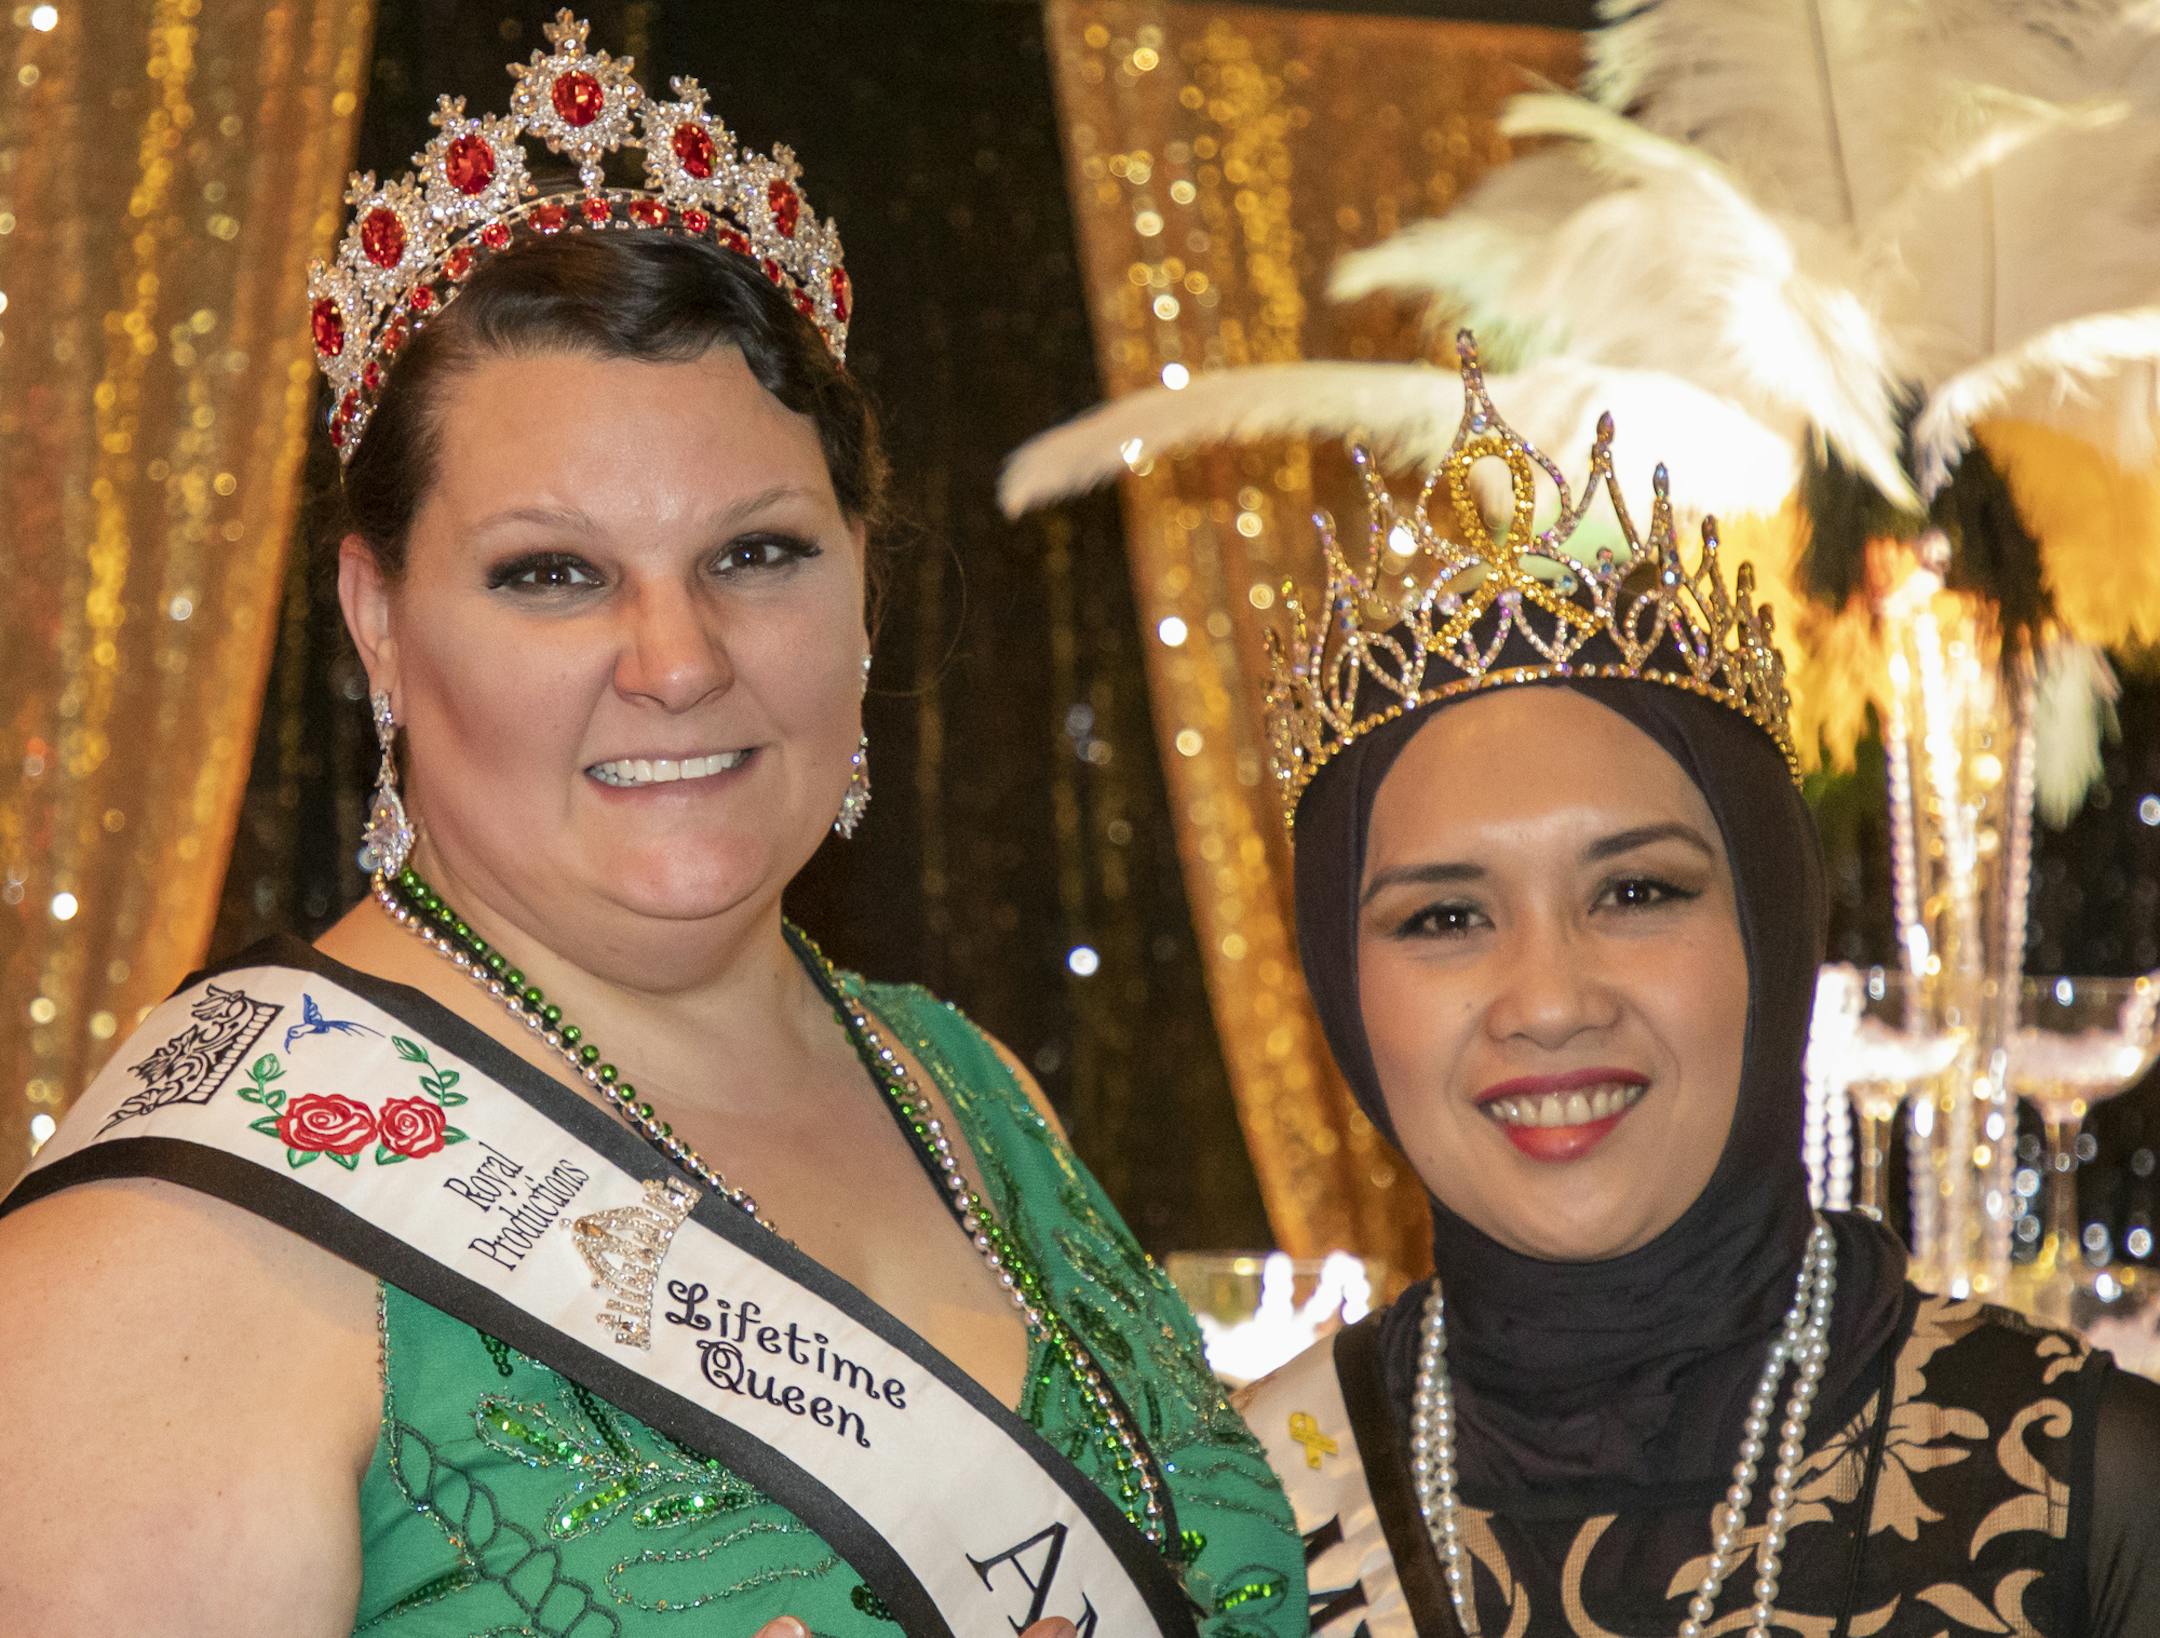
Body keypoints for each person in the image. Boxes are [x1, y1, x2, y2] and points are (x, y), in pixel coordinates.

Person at [0, 17, 1302, 1636]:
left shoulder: (971, 1088)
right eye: (553, 573)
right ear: (379, 622)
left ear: (866, 586)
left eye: (757, 554)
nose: (679, 662)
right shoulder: (172, 1248)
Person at [1238, 338, 2160, 1636]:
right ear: (1342, 985)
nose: (1546, 998)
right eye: (1445, 916)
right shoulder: (1236, 1515)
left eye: (1636, 892)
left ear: (1772, 940)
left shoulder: (2087, 1487)